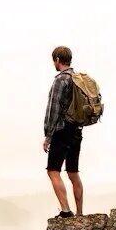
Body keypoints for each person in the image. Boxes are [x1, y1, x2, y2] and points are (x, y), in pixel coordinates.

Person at [43, 45, 84, 217]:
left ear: (58, 60)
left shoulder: (61, 80)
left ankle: (66, 210)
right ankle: (80, 213)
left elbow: (54, 109)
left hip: (62, 130)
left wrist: (48, 136)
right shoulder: (78, 79)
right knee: (73, 172)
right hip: (77, 130)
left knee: (53, 170)